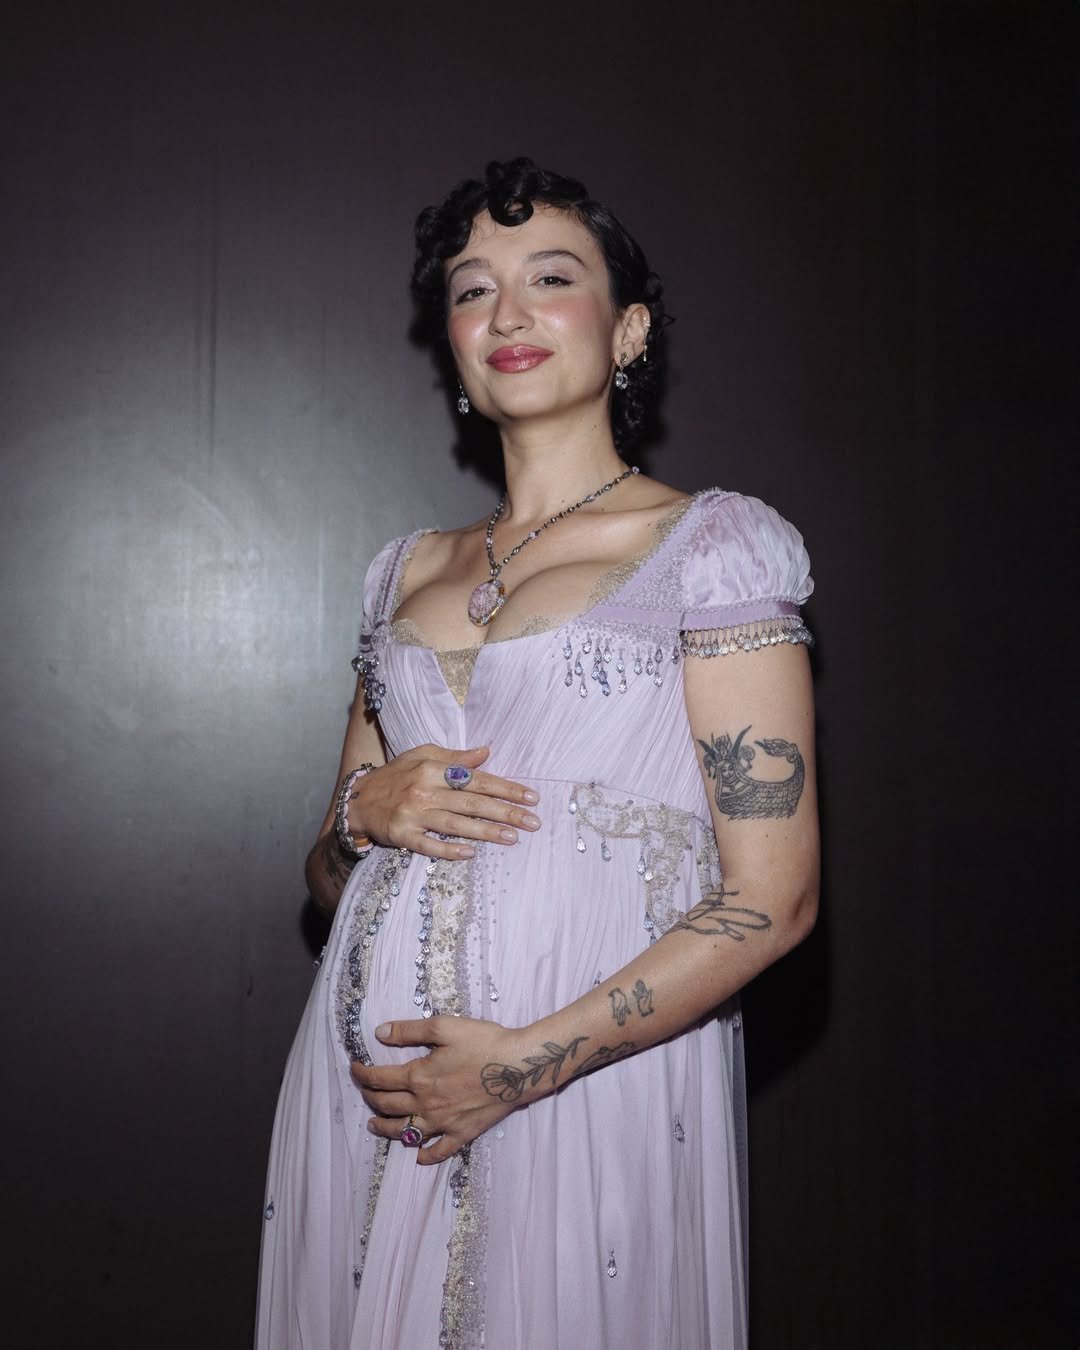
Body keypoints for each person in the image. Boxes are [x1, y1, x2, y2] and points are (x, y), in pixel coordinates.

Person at [256, 158, 819, 1350]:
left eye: (551, 279)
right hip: (369, 1095)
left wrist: (519, 1067)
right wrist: (360, 816)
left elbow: (774, 900)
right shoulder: (403, 572)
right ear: (452, 345)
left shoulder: (713, 546)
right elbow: (328, 876)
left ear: (629, 329)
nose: (507, 312)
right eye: (472, 290)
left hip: (585, 1078)